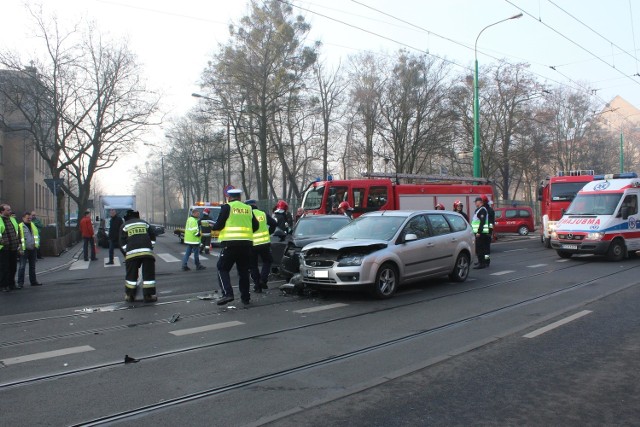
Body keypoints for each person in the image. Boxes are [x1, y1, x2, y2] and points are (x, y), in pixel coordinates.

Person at [212, 189, 259, 306]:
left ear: (229, 197)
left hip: (230, 244)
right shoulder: (248, 208)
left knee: (222, 268)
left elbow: (219, 225)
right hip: (246, 245)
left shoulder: (227, 207)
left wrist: (213, 226)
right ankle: (245, 298)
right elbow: (256, 226)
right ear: (239, 197)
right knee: (243, 271)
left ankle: (228, 294)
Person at [119, 210, 157, 303]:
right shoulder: (144, 223)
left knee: (131, 275)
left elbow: (121, 243)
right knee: (148, 275)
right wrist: (150, 247)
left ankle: (130, 296)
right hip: (147, 253)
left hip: (132, 254)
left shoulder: (124, 225)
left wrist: (126, 253)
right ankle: (148, 296)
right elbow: (153, 236)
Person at [246, 199, 277, 293]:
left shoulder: (246, 215)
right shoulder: (262, 214)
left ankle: (257, 286)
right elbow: (273, 223)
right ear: (255, 205)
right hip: (264, 243)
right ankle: (263, 280)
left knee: (253, 265)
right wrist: (268, 232)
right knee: (267, 261)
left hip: (251, 244)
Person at [17, 211, 43, 288]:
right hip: (24, 249)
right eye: (27, 218)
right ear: (23, 218)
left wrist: (36, 246)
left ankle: (33, 281)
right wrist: (20, 248)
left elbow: (36, 236)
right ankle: (20, 283)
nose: (29, 219)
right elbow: (18, 238)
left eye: (30, 218)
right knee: (22, 266)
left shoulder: (33, 225)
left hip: (33, 248)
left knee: (32, 266)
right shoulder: (20, 226)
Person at [0, 204, 21, 292]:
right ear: (2, 211)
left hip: (13, 247)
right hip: (3, 249)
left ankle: (11, 284)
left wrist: (18, 243)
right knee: (4, 268)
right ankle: (3, 285)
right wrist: (3, 242)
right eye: (8, 210)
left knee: (13, 267)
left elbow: (17, 232)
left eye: (10, 210)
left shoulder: (12, 219)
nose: (10, 211)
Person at [471, 196, 491, 269]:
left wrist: (480, 231)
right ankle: (482, 261)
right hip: (482, 232)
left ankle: (485, 261)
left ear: (480, 202)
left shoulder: (483, 210)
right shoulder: (479, 210)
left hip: (482, 233)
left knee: (483, 249)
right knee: (483, 249)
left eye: (476, 201)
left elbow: (483, 222)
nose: (475, 203)